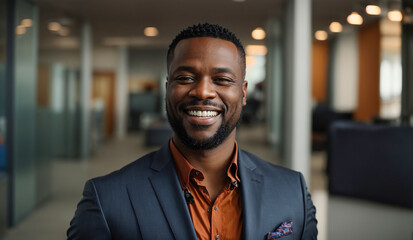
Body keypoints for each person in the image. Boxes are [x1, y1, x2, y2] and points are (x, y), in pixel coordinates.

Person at [67, 23, 317, 240]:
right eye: (186, 78)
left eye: (222, 79)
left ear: (243, 93)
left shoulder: (291, 191)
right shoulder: (107, 199)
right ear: (168, 88)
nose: (203, 92)